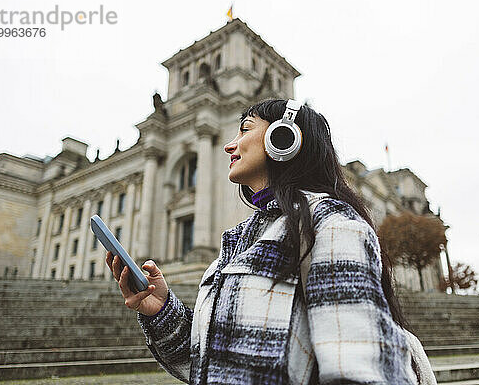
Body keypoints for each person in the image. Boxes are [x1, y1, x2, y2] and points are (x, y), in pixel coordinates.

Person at [106, 99, 436, 384]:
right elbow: (212, 364)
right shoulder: (238, 239)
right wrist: (161, 310)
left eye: (245, 129)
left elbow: (362, 369)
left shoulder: (329, 224)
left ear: (284, 137)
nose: (229, 145)